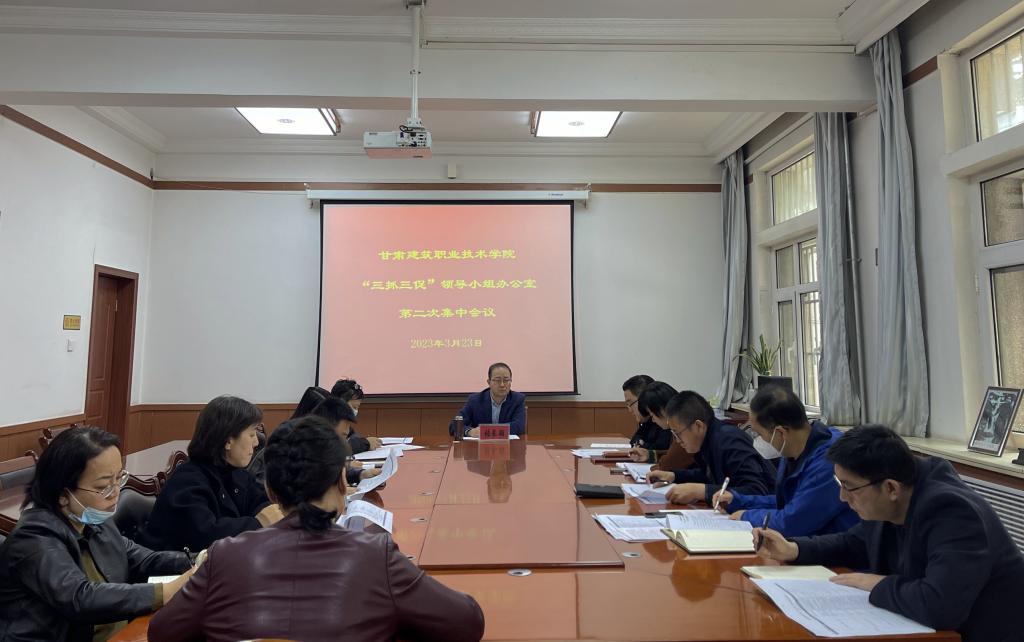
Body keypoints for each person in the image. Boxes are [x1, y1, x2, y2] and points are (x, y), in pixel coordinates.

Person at [149, 417, 486, 642]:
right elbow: (467, 622)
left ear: (271, 492)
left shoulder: (224, 556)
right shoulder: (375, 555)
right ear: (341, 481)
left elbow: (162, 632)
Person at [755, 425, 1024, 642]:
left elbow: (940, 606)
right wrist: (794, 549)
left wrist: (876, 584)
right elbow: (853, 542)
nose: (842, 497)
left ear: (891, 488)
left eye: (849, 487)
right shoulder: (895, 496)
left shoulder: (952, 512)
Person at [0, 426, 195, 642]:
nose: (115, 493)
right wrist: (165, 592)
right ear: (63, 494)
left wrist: (200, 560)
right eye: (103, 487)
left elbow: (142, 559)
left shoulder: (93, 521)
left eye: (118, 479)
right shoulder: (33, 538)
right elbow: (80, 598)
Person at [137, 396, 284, 552]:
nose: (256, 443)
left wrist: (272, 514)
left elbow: (261, 502)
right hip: (173, 565)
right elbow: (205, 535)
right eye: (252, 435)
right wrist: (258, 523)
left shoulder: (236, 474)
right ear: (228, 441)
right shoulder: (187, 481)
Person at [712, 385, 859, 537]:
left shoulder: (830, 461)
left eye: (759, 434)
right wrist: (739, 501)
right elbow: (788, 502)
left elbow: (793, 522)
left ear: (781, 433)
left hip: (834, 548)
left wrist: (745, 516)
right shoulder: (793, 449)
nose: (757, 440)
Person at [647, 391, 775, 505]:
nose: (677, 440)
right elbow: (710, 475)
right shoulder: (708, 438)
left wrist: (701, 492)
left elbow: (757, 491)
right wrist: (674, 476)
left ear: (698, 426)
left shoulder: (729, 441)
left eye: (677, 433)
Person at [449, 362, 526, 437]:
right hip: (479, 445)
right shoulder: (475, 400)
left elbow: (519, 426)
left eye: (506, 380)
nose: (502, 385)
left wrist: (486, 430)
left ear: (511, 381)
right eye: (497, 380)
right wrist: (470, 432)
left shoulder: (517, 399)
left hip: (508, 444)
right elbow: (454, 425)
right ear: (489, 382)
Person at [622, 375, 672, 463]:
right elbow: (634, 441)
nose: (629, 410)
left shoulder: (667, 421)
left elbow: (663, 449)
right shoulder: (647, 421)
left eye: (630, 403)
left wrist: (645, 449)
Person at [630, 380, 679, 464]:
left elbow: (672, 462)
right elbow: (674, 455)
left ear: (661, 409)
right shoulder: (675, 426)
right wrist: (648, 455)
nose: (653, 420)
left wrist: (650, 456)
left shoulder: (682, 428)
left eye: (652, 415)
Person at [332, 378, 382, 453]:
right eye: (354, 407)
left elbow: (352, 437)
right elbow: (336, 448)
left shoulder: (344, 422)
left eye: (357, 407)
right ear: (340, 403)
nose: (355, 411)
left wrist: (365, 441)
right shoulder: (325, 421)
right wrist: (366, 443)